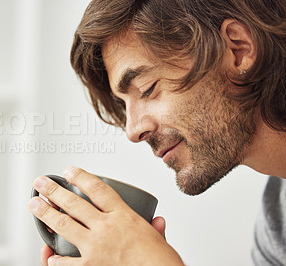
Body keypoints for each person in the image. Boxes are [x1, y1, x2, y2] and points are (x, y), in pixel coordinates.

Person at [28, 0, 286, 265]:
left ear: (238, 48)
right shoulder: (277, 218)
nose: (132, 130)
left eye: (147, 88)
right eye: (124, 104)